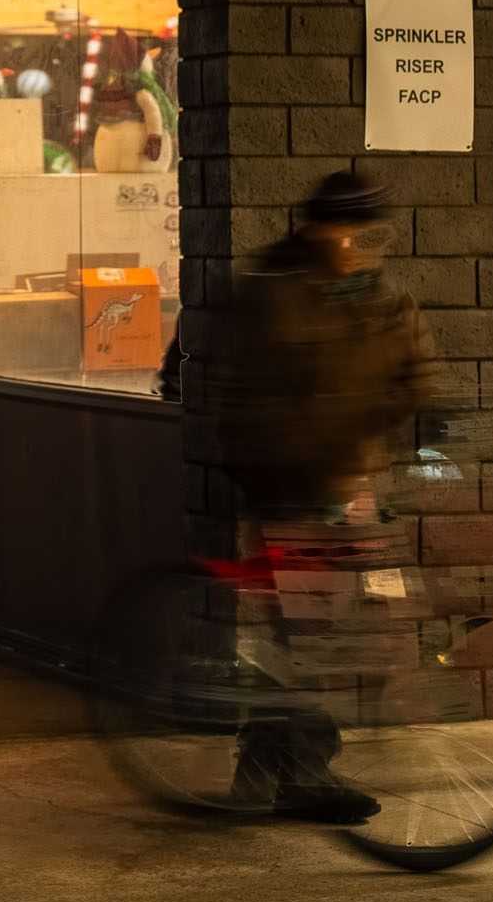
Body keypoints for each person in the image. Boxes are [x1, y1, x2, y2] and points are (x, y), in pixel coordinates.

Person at [193, 167, 451, 823]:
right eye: (349, 231)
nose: (360, 246)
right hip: (289, 488)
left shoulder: (376, 297)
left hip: (350, 490)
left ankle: (267, 774)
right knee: (304, 636)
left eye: (370, 234)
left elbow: (414, 375)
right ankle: (295, 773)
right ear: (317, 228)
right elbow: (254, 400)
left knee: (320, 639)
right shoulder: (275, 293)